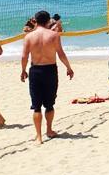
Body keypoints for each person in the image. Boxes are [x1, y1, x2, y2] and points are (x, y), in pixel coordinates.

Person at [20, 9, 74, 143]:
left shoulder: (28, 36)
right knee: (49, 104)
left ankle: (39, 136)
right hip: (50, 70)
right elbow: (61, 54)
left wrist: (23, 70)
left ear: (35, 21)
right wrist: (68, 67)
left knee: (36, 105)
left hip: (35, 70)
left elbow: (24, 56)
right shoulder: (54, 35)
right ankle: (49, 130)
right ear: (48, 20)